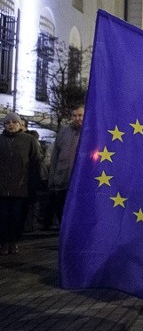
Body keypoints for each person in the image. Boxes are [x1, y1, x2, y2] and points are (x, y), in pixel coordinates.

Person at [0, 113, 43, 254]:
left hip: (21, 188)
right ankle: (4, 243)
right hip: (2, 188)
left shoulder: (29, 140)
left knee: (17, 217)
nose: (11, 125)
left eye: (14, 122)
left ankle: (13, 242)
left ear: (19, 124)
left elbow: (35, 163)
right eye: (7, 123)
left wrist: (34, 184)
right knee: (3, 217)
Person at [45, 105, 84, 229]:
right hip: (62, 182)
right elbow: (55, 158)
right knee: (62, 213)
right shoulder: (63, 132)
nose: (77, 118)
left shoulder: (92, 131)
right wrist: (52, 180)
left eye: (80, 115)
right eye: (74, 115)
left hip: (81, 184)